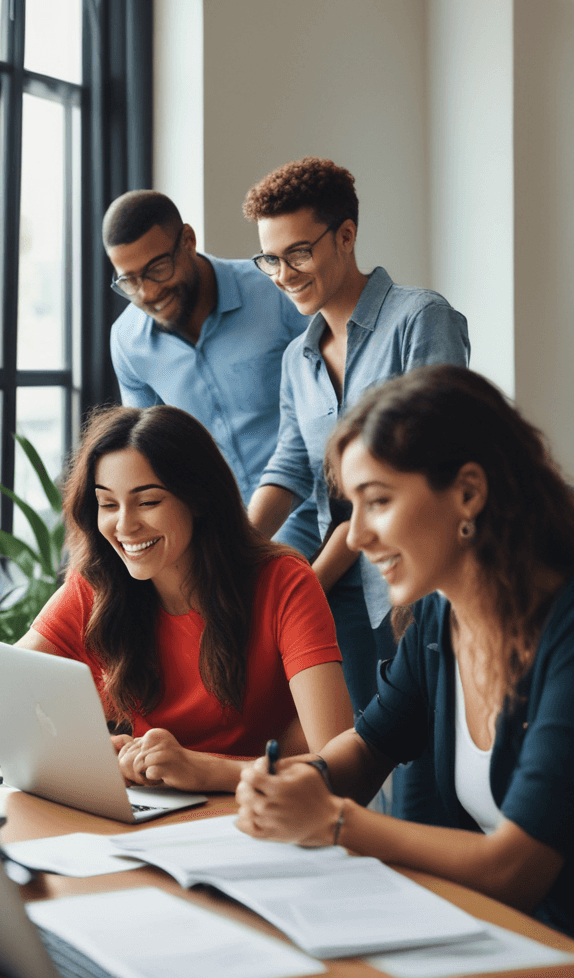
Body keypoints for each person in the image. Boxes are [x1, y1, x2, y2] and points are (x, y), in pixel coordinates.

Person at [236, 366, 574, 938]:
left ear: (468, 492)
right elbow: (369, 749)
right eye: (353, 507)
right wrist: (296, 781)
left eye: (378, 502)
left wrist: (335, 820)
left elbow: (517, 869)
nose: (357, 535)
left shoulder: (564, 631)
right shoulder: (440, 618)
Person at [18, 404, 352, 792]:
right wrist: (91, 748)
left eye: (148, 502)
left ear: (198, 498)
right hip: (153, 812)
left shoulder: (284, 582)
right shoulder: (99, 582)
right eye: (108, 504)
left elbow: (338, 764)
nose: (124, 526)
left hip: (261, 812)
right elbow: (9, 685)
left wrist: (204, 770)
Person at [243, 156, 470, 718]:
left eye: (298, 252)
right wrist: (230, 552)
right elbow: (292, 466)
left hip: (416, 577)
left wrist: (306, 585)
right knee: (360, 757)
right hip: (343, 593)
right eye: (270, 258)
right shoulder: (299, 356)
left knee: (423, 776)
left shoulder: (420, 319)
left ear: (346, 236)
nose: (284, 273)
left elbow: (423, 468)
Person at [103, 189, 316, 554]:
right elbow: (149, 456)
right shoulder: (127, 341)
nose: (148, 293)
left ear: (188, 240)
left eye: (157, 269)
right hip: (218, 537)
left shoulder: (276, 291)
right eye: (130, 281)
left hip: (315, 512)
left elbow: (335, 404)